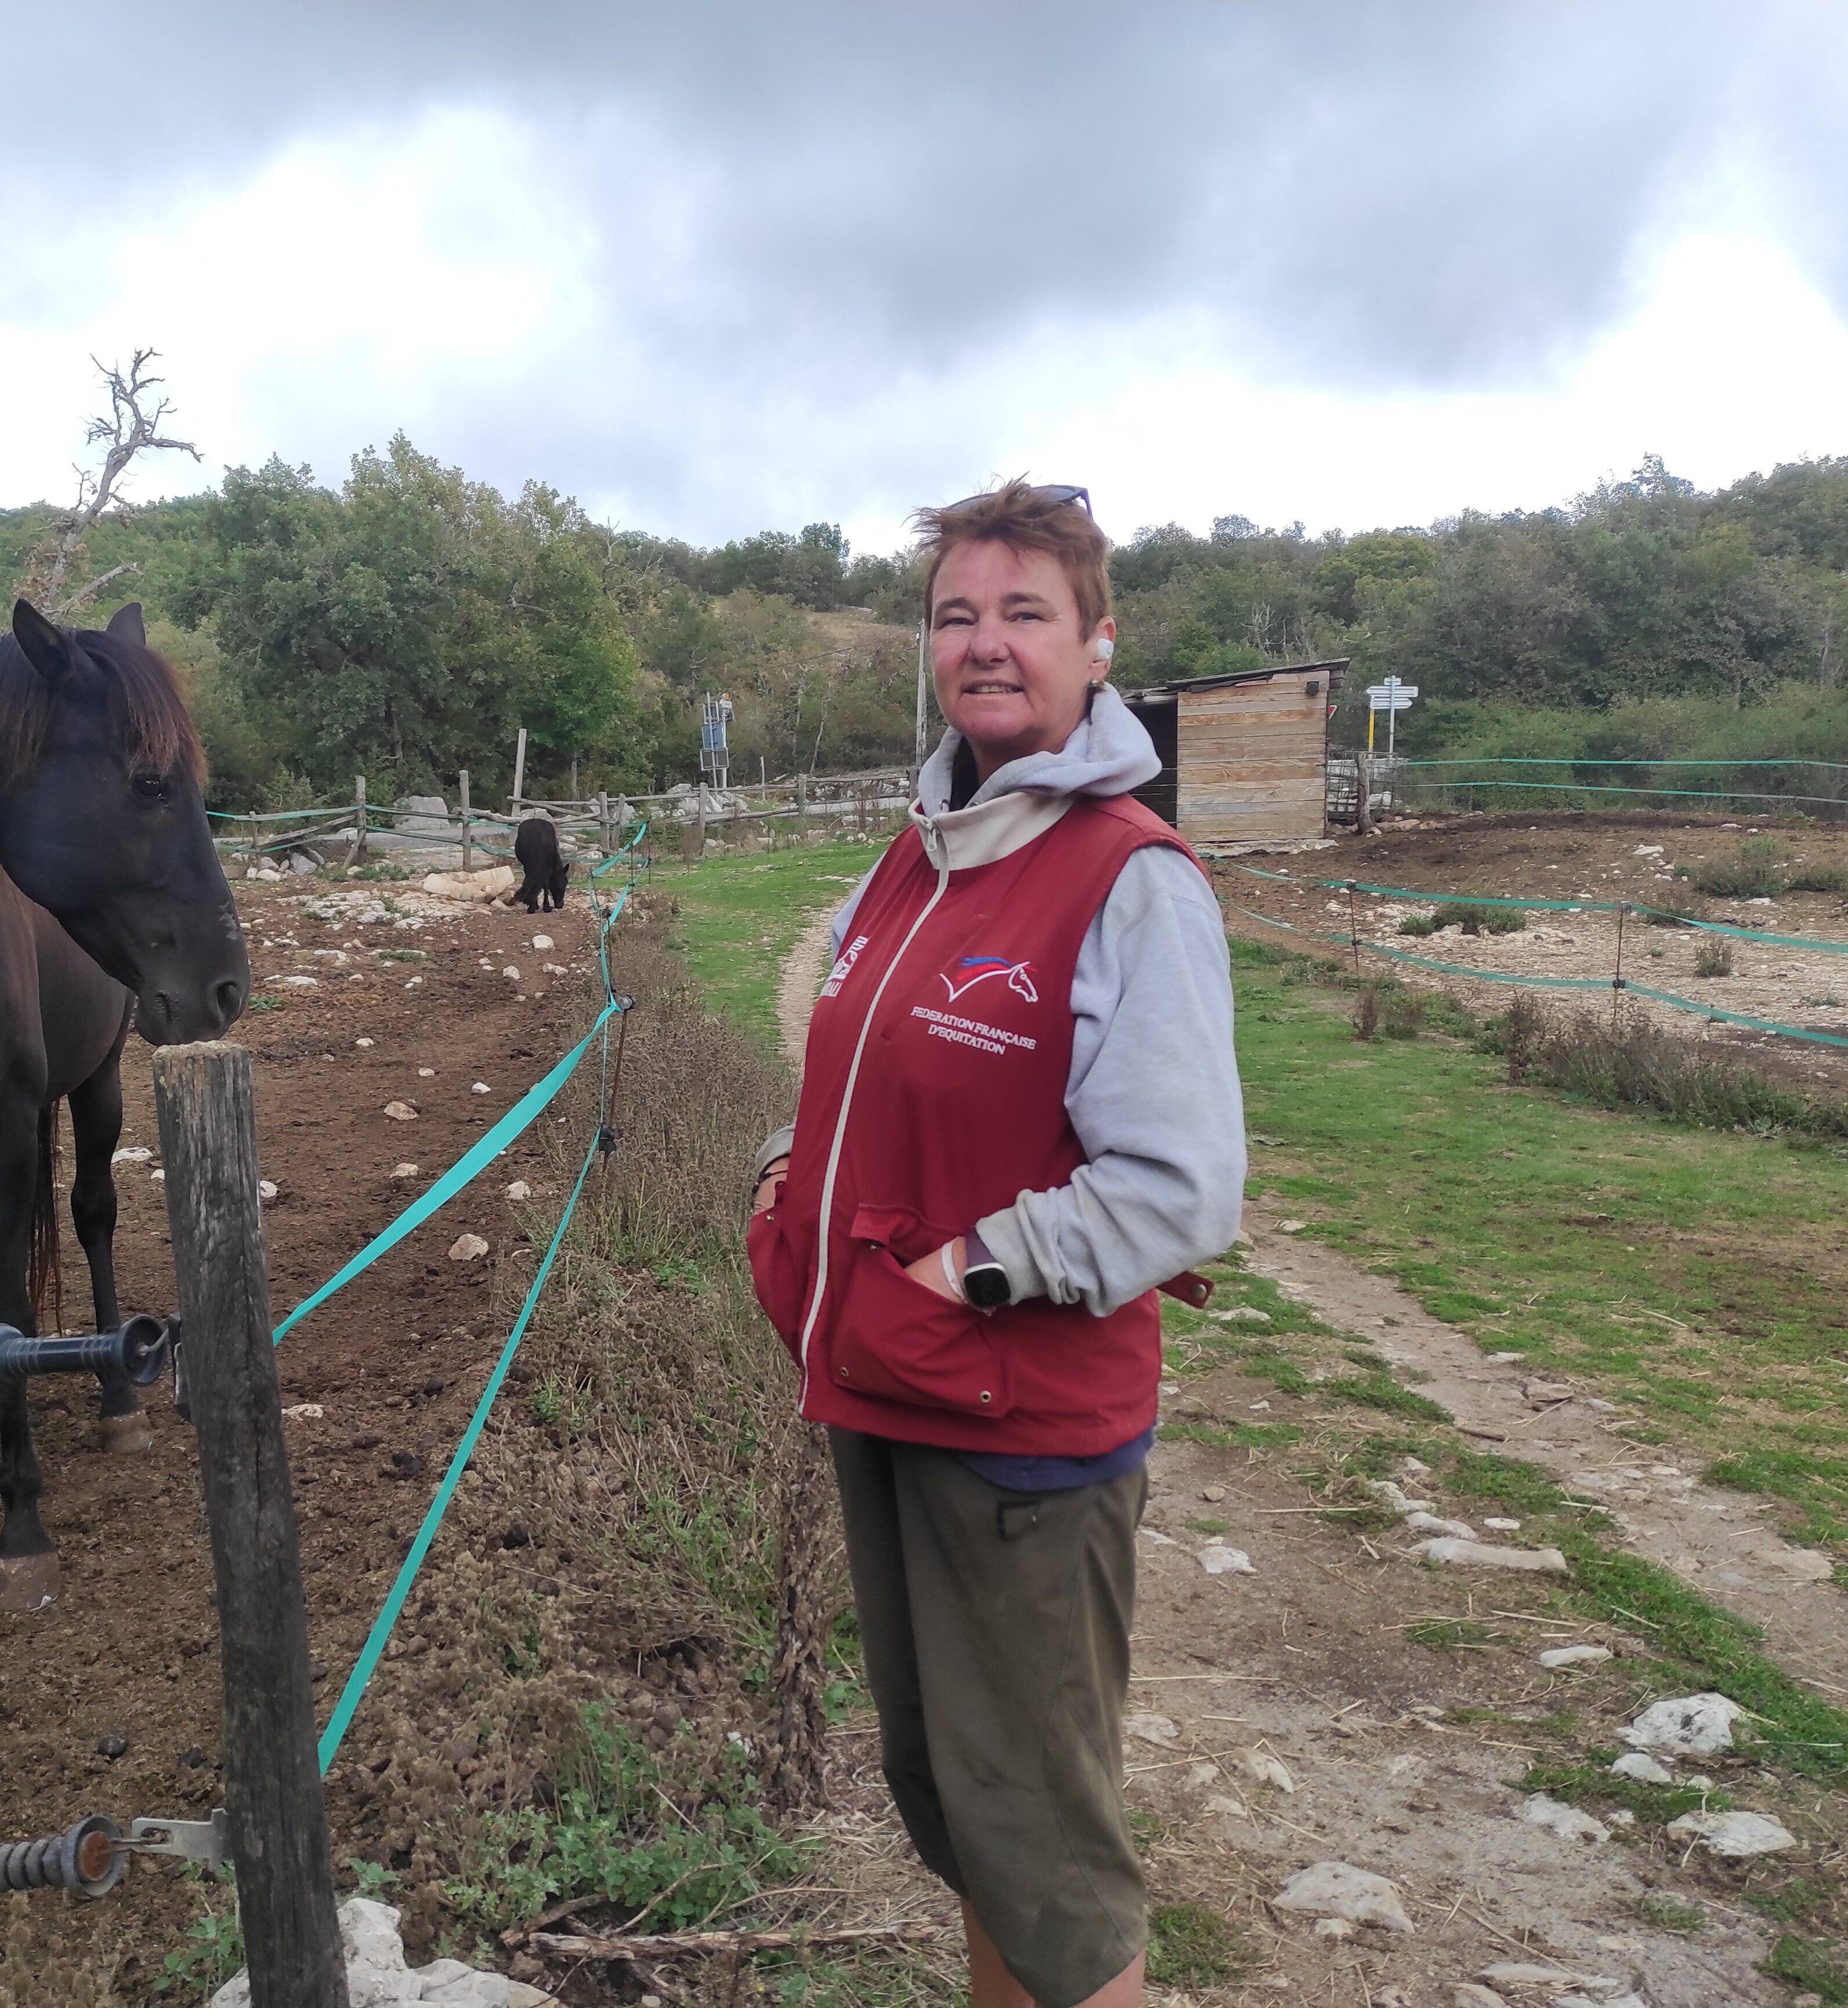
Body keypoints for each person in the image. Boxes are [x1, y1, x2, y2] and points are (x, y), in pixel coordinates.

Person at [745, 479, 1244, 2008]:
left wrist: (967, 1270)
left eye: (1026, 613)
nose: (985, 642)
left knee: (1049, 1864)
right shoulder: (923, 854)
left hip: (1017, 1441)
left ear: (1099, 647)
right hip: (890, 1396)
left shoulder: (1128, 878)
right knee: (967, 1819)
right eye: (958, 614)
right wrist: (787, 1182)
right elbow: (855, 1072)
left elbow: (1179, 1188)